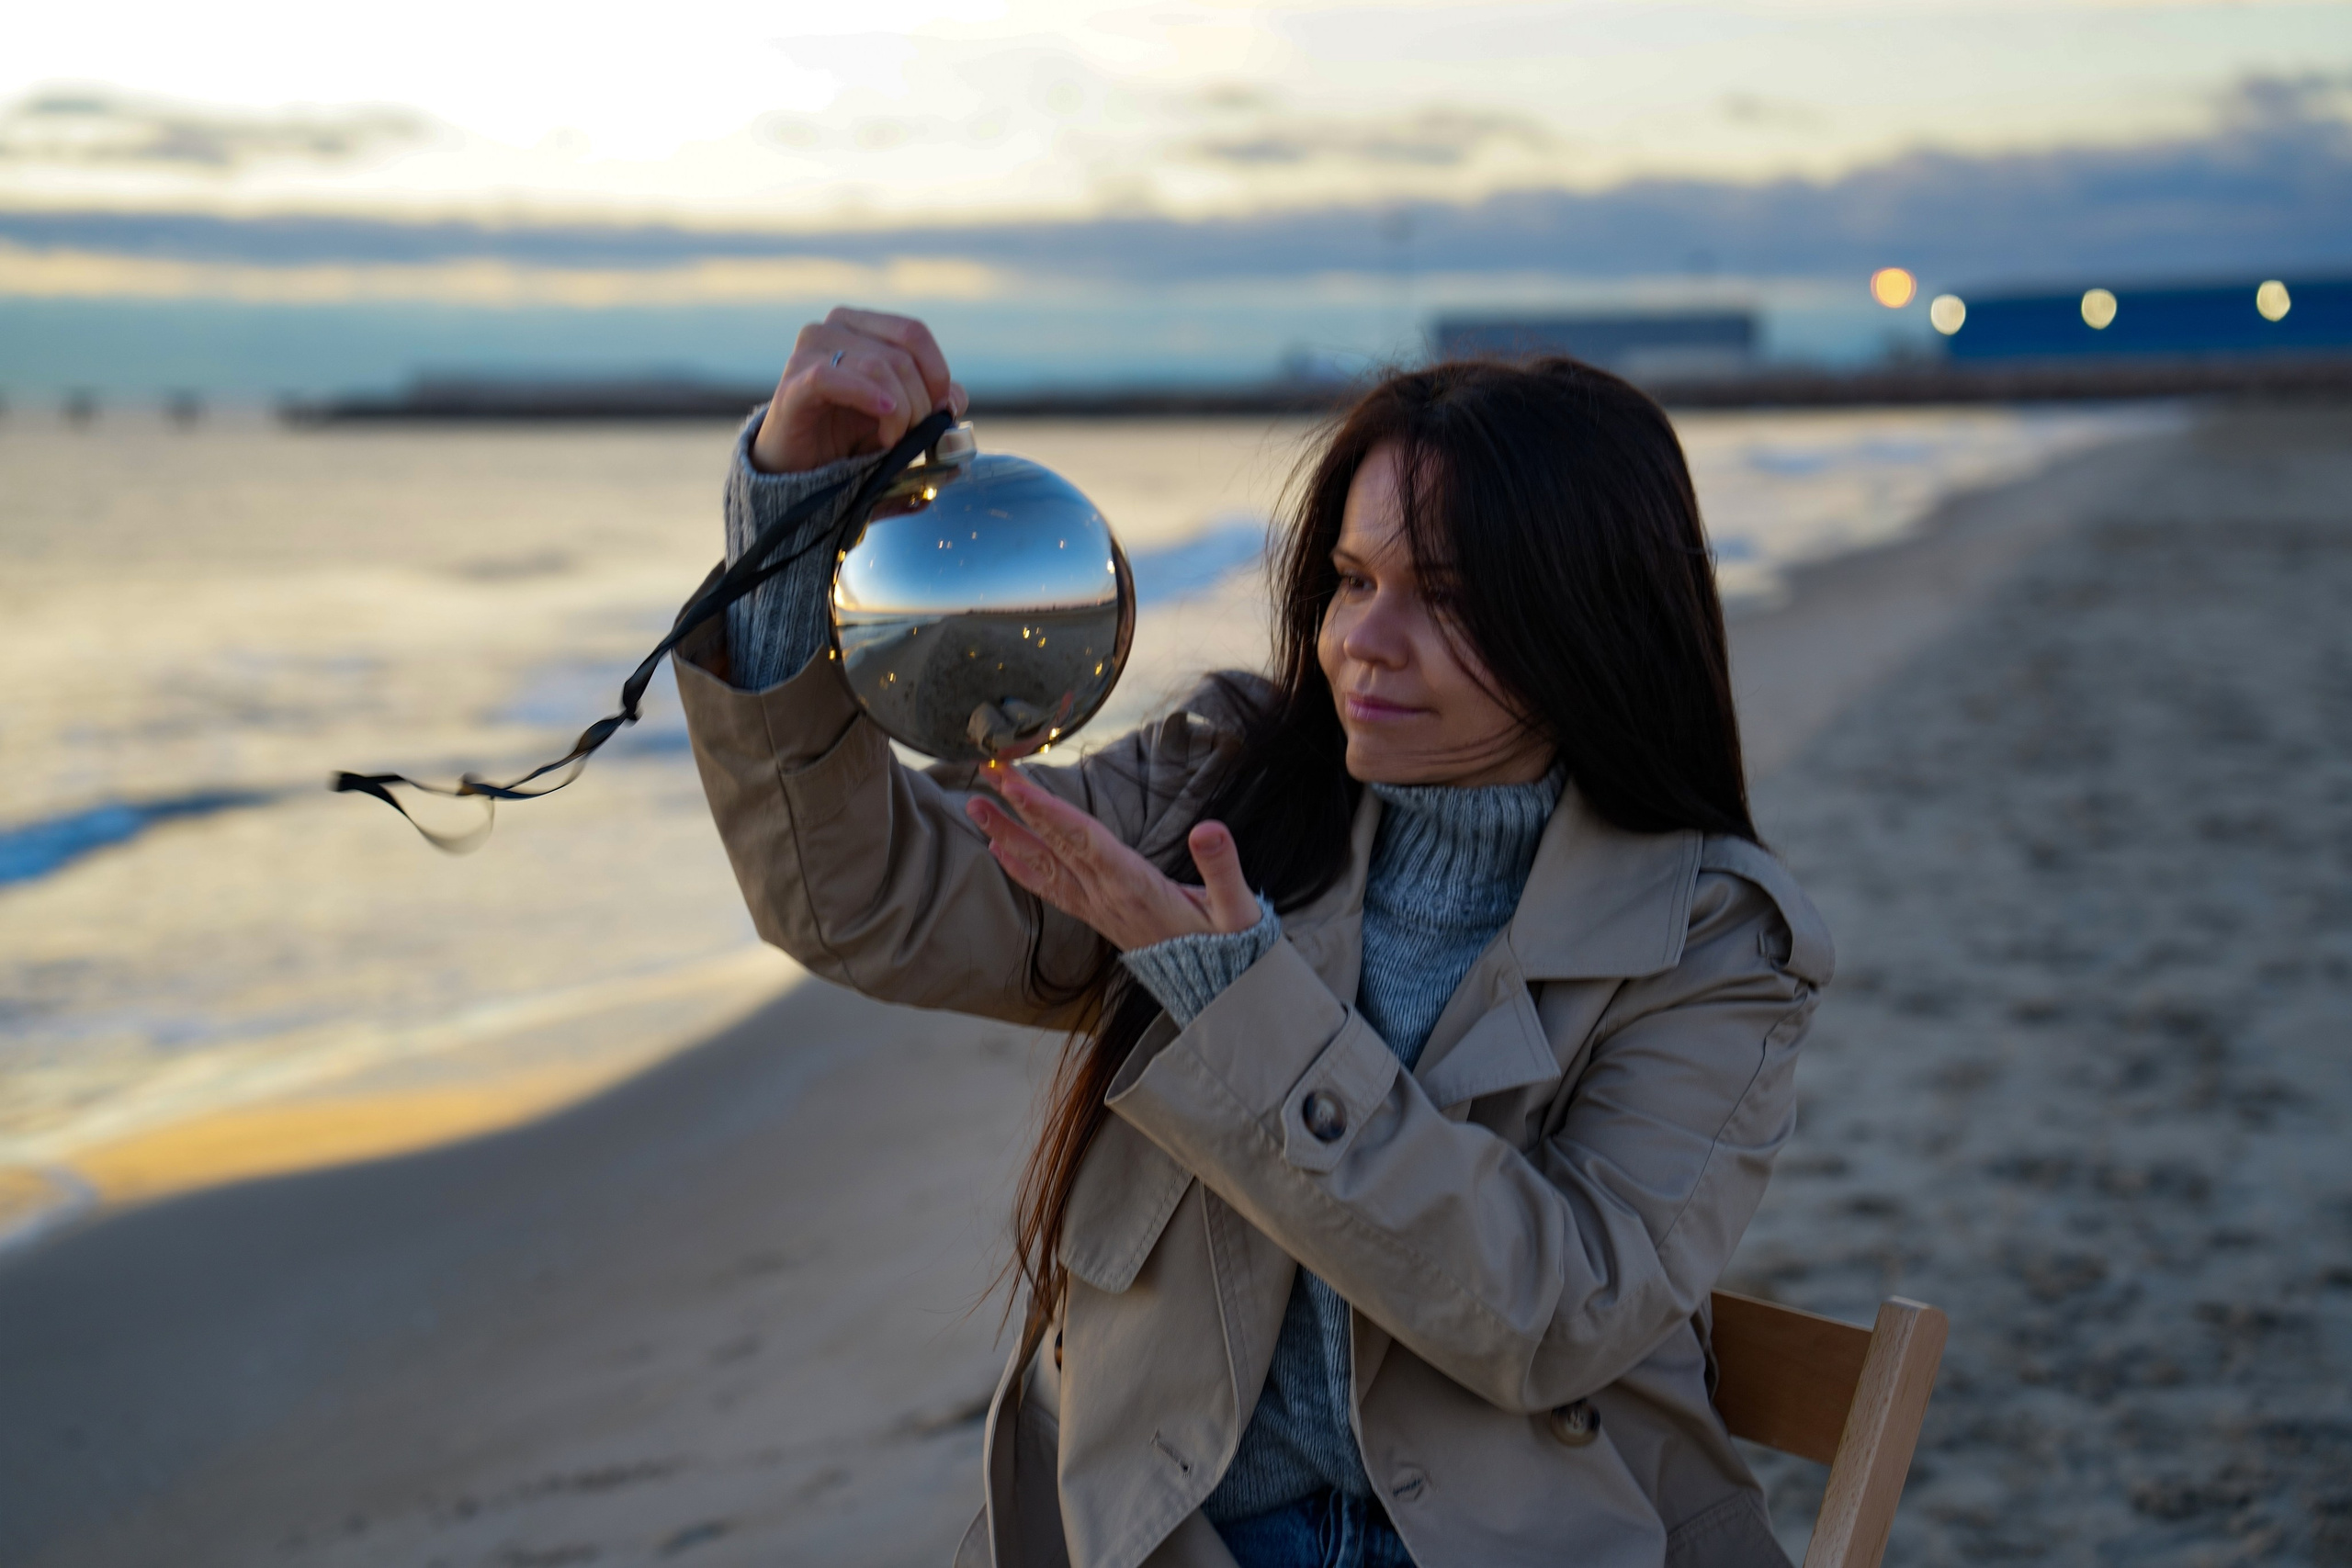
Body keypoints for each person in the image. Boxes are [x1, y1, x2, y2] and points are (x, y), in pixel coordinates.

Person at [674, 307, 1834, 1568]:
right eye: (1352, 579)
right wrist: (794, 521)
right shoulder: (1231, 784)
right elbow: (868, 901)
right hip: (1178, 1536)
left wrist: (1235, 1000)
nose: (1361, 645)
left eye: (1445, 600)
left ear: (1587, 621)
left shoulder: (1712, 937)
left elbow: (1552, 1314)